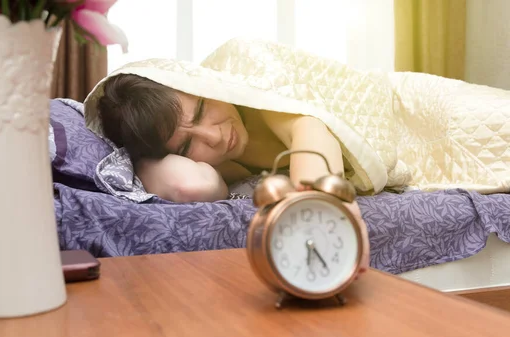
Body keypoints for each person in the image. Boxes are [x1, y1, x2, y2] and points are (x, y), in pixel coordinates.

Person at [95, 72, 370, 275]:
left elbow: (308, 127)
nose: (214, 136)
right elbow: (191, 186)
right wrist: (143, 159)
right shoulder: (208, 166)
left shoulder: (259, 98)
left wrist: (324, 204)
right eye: (187, 144)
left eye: (202, 109)